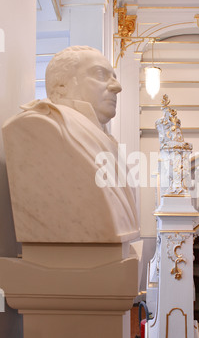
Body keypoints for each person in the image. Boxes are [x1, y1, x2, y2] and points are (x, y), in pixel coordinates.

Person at [2, 46, 140, 244]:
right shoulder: (42, 126)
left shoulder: (106, 139)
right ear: (61, 86)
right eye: (101, 74)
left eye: (114, 76)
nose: (117, 86)